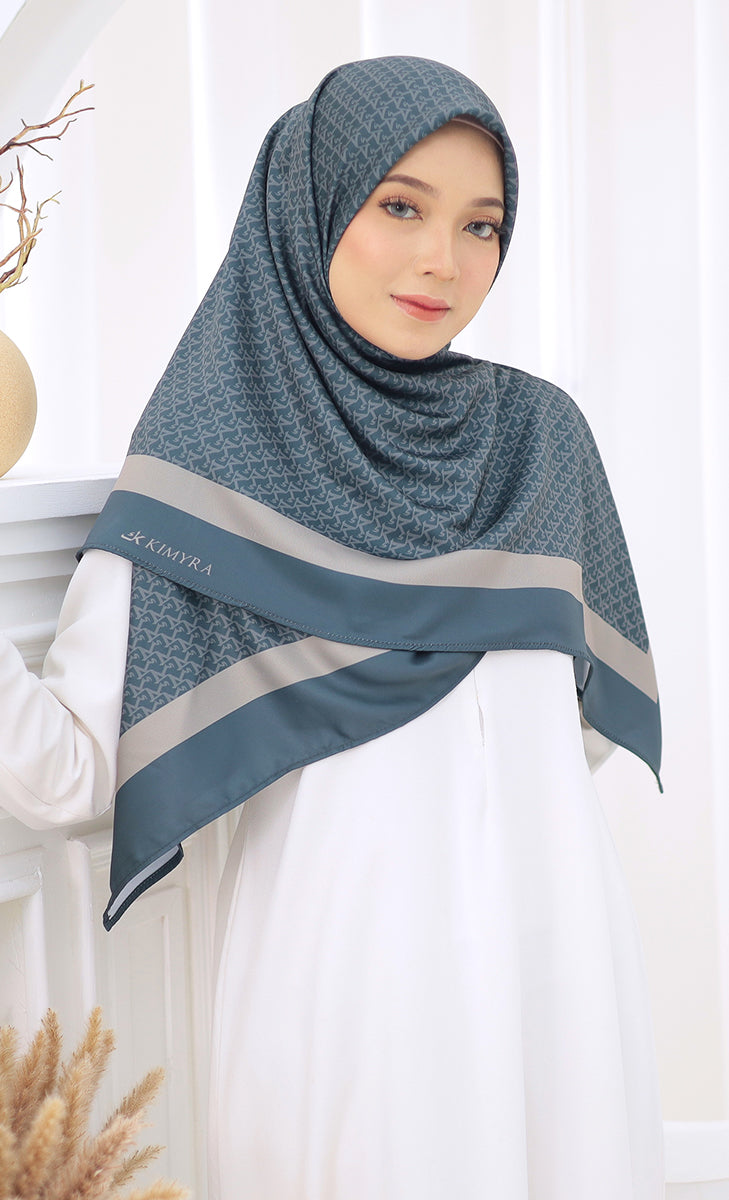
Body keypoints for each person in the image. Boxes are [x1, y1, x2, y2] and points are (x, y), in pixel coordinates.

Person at [0, 55, 664, 1199]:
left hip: (556, 979)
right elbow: (72, 782)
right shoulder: (212, 470)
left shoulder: (541, 442)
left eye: (481, 225)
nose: (443, 259)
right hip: (351, 1006)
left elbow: (577, 735)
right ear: (306, 209)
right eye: (400, 206)